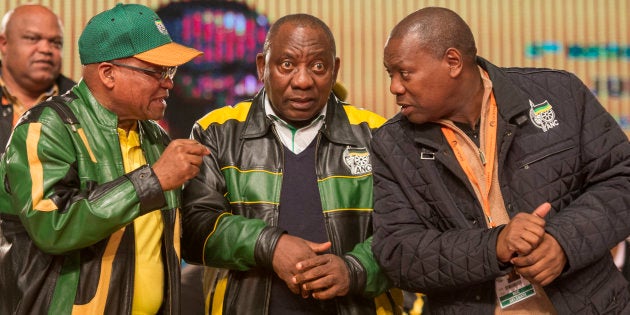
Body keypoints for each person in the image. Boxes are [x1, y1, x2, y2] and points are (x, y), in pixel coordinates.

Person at [370, 6, 630, 314]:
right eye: (391, 75)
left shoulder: (560, 94)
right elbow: (398, 253)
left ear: (453, 62)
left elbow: (621, 180)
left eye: (405, 73)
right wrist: (495, 246)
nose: (394, 88)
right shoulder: (391, 144)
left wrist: (563, 242)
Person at [181, 13, 402, 314]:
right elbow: (194, 230)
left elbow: (408, 232)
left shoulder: (378, 135)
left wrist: (355, 270)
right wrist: (268, 246)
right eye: (287, 65)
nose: (302, 81)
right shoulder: (217, 132)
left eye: (318, 67)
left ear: (335, 70)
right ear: (262, 67)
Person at [0, 3, 207, 314]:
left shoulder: (156, 137)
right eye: (156, 71)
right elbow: (53, 226)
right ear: (108, 74)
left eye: (170, 71)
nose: (168, 82)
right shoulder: (48, 126)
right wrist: (152, 180)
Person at [0, 4, 75, 151]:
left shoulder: (81, 102)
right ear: (4, 43)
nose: (46, 49)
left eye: (56, 42)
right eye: (32, 38)